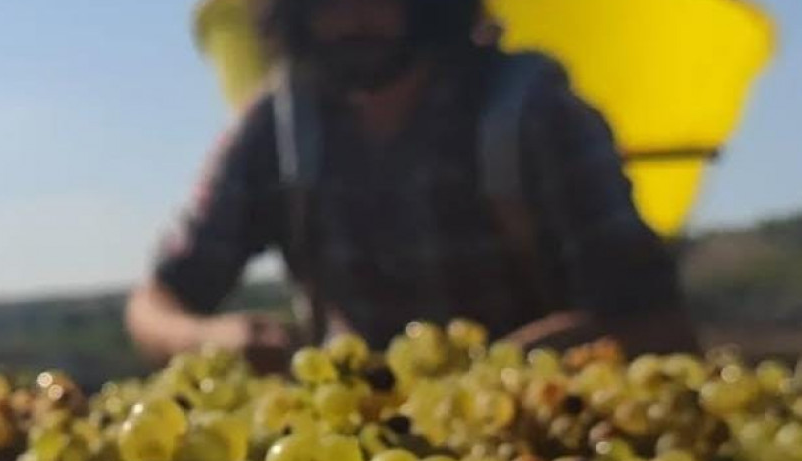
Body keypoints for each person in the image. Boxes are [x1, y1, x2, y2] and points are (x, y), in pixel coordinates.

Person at [126, 0, 697, 370]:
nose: (353, 18)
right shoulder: (278, 128)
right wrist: (208, 340)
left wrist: (521, 369)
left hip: (542, 451)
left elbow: (659, 323)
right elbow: (155, 304)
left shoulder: (534, 114)